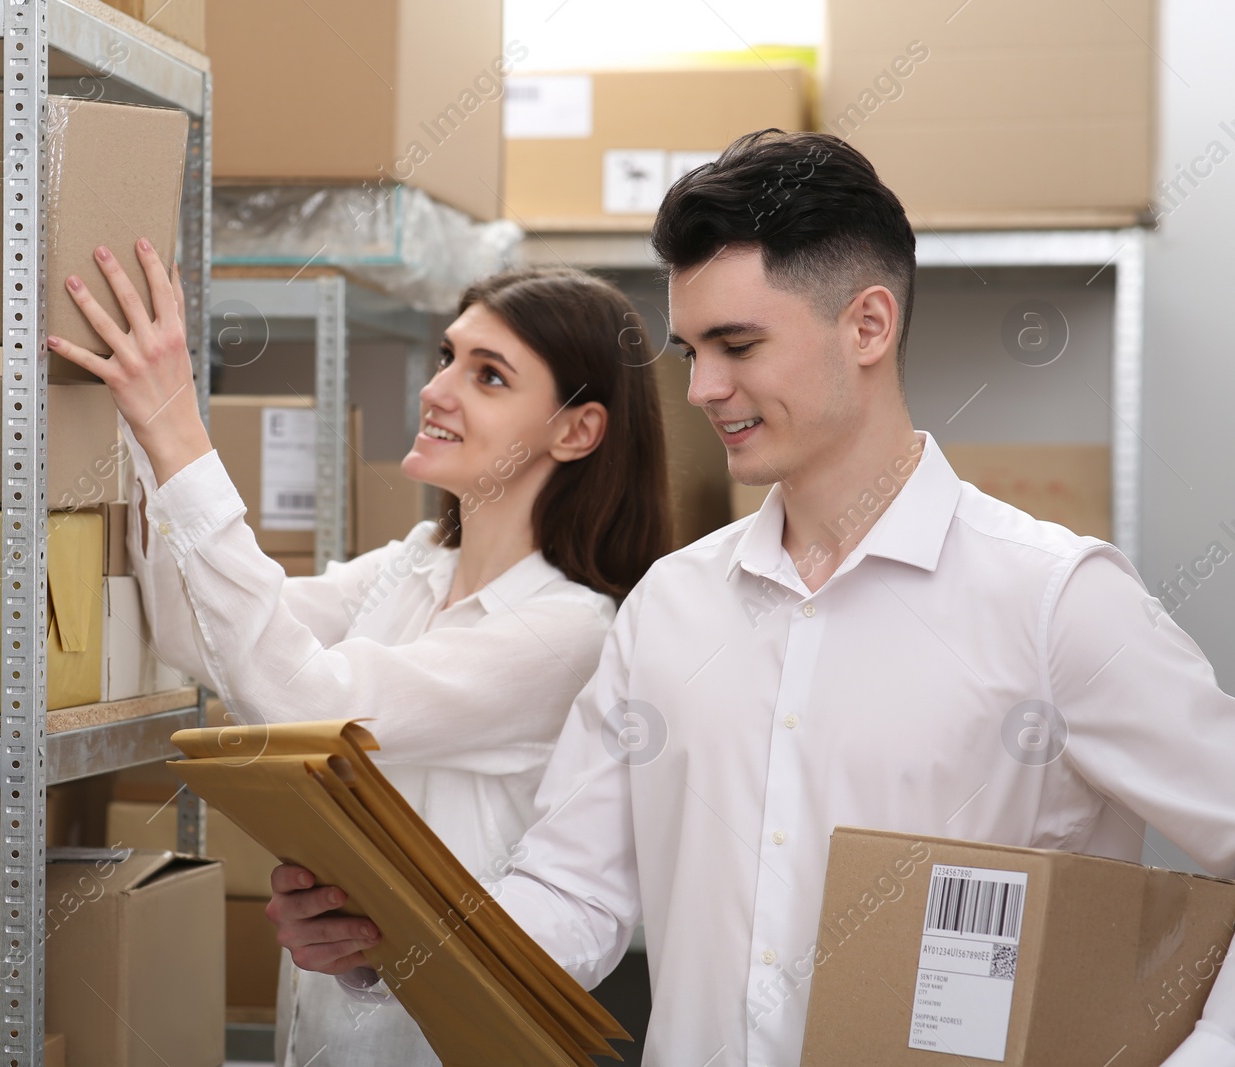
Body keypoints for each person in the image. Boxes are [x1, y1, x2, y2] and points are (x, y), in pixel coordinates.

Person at [265, 129, 1235, 1065]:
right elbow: (571, 894)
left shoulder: (1053, 599)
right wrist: (383, 943)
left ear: (866, 324)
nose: (701, 388)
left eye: (737, 344)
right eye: (691, 350)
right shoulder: (671, 606)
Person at [48, 260, 672, 1065]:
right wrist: (144, 429)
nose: (439, 389)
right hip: (333, 1028)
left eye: (489, 376)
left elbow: (309, 703)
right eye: (448, 356)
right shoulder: (413, 565)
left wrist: (181, 432)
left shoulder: (568, 632)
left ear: (576, 430)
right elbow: (194, 630)